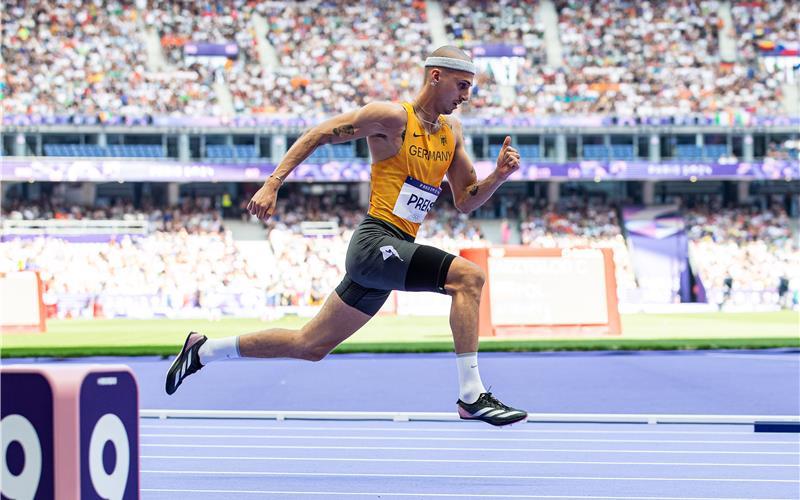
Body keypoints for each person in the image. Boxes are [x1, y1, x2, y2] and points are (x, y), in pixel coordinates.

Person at [165, 46, 528, 426]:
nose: (466, 97)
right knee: (469, 277)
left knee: (310, 345)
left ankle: (203, 351)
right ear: (435, 76)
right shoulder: (391, 118)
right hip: (375, 244)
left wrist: (498, 177)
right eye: (462, 85)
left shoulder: (452, 132)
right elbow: (319, 133)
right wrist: (273, 183)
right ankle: (471, 396)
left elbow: (466, 201)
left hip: (393, 250)